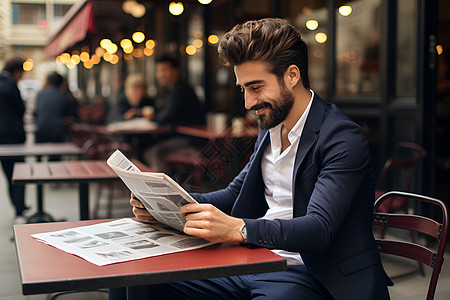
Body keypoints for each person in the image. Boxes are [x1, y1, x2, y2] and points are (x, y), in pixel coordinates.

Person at [113, 18, 392, 300]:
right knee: (128, 280)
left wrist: (240, 229)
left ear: (292, 75)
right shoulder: (271, 125)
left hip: (314, 274)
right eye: (243, 88)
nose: (248, 102)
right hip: (256, 261)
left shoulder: (342, 137)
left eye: (256, 87)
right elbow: (235, 194)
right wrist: (170, 206)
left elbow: (319, 228)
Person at [143, 56, 206, 173]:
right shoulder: (170, 91)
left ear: (175, 71)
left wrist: (153, 120)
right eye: (158, 71)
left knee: (156, 152)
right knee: (149, 152)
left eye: (164, 70)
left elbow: (166, 115)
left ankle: (163, 189)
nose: (161, 74)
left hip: (191, 139)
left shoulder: (181, 90)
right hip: (180, 137)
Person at [0, 57, 28, 224]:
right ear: (17, 71)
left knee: (9, 174)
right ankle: (20, 209)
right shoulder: (11, 84)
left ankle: (18, 208)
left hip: (0, 138)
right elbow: (21, 108)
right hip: (14, 136)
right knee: (19, 173)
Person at [34, 72, 79, 143]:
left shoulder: (40, 94)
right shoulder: (64, 96)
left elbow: (36, 113)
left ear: (48, 82)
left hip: (41, 130)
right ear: (62, 83)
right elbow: (73, 115)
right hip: (57, 132)